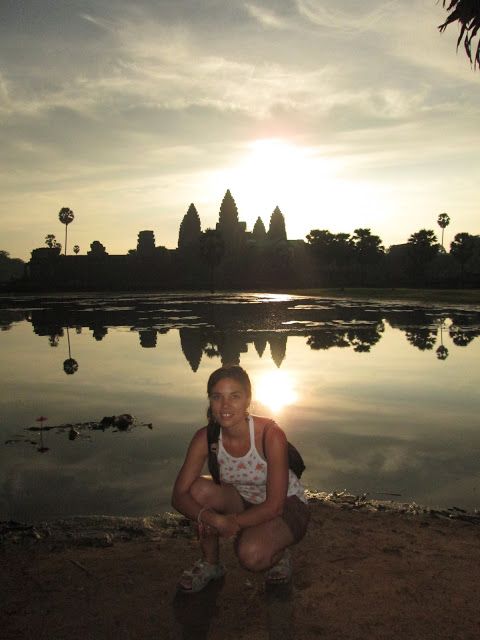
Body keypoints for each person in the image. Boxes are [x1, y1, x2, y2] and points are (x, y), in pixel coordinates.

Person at [171, 364, 310, 593]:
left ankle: (280, 553)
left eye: (234, 396)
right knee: (196, 491)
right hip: (242, 499)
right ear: (210, 401)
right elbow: (179, 496)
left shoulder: (270, 435)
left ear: (247, 400)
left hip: (285, 505)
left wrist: (232, 522)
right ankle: (210, 564)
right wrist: (213, 519)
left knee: (251, 555)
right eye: (217, 397)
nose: (225, 406)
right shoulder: (206, 438)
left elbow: (274, 506)